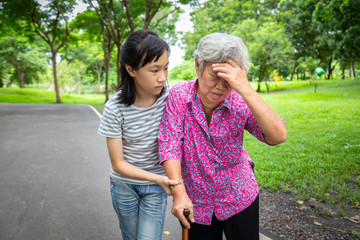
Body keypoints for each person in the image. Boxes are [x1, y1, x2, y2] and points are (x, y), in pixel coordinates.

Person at [158, 32, 288, 240]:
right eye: (214, 76)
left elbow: (277, 136)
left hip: (239, 197)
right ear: (198, 66)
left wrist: (245, 88)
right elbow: (170, 144)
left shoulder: (239, 99)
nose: (220, 86)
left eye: (228, 79)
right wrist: (179, 192)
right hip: (196, 202)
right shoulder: (179, 96)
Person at [98, 30, 178, 240]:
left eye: (166, 68)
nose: (162, 77)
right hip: (124, 185)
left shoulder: (171, 98)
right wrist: (158, 178)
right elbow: (118, 163)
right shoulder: (115, 108)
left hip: (155, 188)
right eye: (154, 70)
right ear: (131, 70)